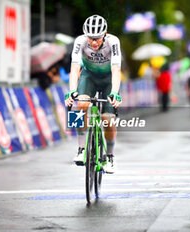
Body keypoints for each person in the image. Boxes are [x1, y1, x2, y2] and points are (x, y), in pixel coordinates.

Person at [64, 15, 122, 174]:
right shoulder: (80, 41)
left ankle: (110, 156)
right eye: (91, 38)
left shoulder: (113, 41)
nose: (94, 42)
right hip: (88, 76)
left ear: (105, 34)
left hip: (108, 78)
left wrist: (115, 93)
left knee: (108, 119)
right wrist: (72, 90)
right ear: (85, 35)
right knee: (79, 106)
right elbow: (75, 68)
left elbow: (116, 69)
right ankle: (81, 148)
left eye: (97, 38)